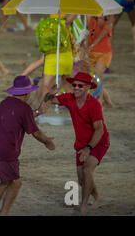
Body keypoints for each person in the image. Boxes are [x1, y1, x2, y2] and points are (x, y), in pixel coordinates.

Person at [0, 75, 55, 216]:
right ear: (27, 93)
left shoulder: (4, 103)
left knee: (5, 182)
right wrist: (48, 141)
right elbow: (35, 133)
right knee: (15, 183)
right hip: (6, 151)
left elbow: (19, 117)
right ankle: (2, 213)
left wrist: (37, 112)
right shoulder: (24, 109)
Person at [44, 72, 110, 214]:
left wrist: (88, 148)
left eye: (80, 85)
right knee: (82, 180)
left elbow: (99, 130)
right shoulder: (70, 98)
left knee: (87, 170)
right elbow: (49, 100)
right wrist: (49, 93)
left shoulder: (94, 105)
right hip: (82, 143)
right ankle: (98, 197)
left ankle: (84, 205)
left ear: (87, 88)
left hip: (98, 141)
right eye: (74, 85)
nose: (76, 88)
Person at [83, 14, 114, 107]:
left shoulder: (108, 24)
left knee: (95, 78)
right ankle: (108, 102)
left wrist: (90, 46)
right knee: (90, 79)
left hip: (104, 54)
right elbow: (86, 12)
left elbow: (99, 37)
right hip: (91, 54)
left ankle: (99, 103)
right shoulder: (92, 20)